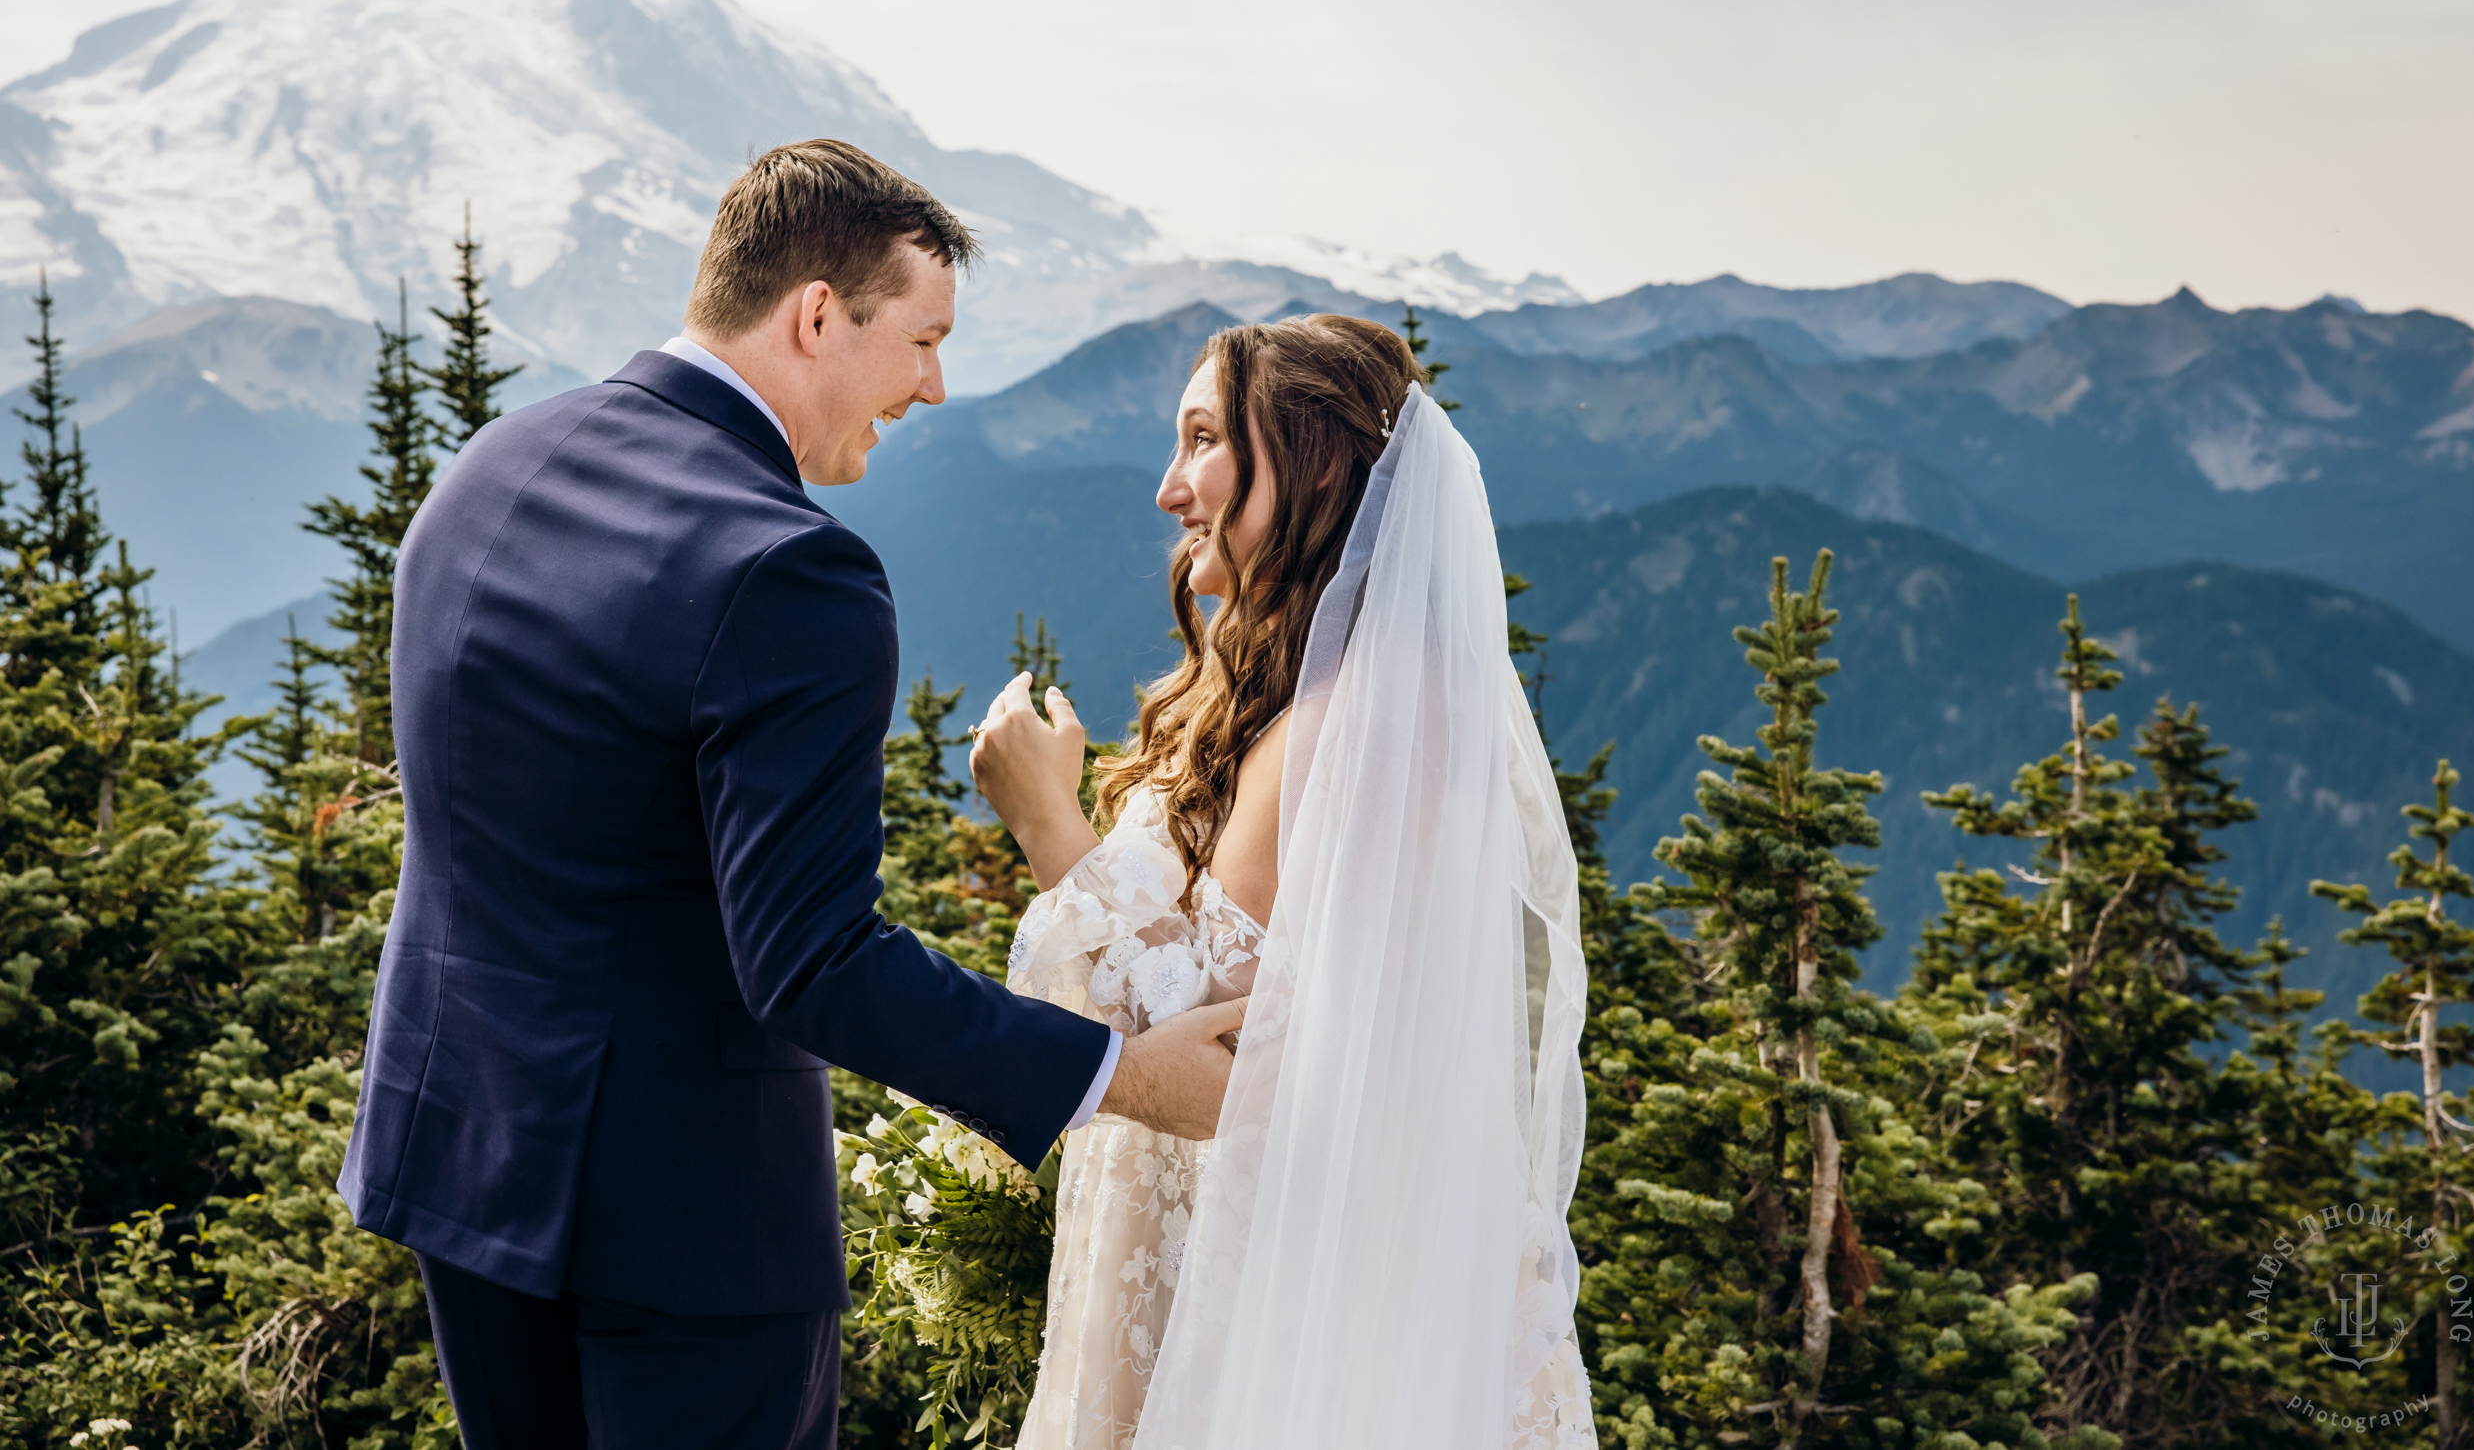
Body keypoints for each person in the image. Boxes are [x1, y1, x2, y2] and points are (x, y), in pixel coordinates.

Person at [336, 139, 1242, 1450]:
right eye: (922, 339)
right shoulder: (790, 573)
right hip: (683, 1238)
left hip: (459, 1168)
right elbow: (810, 961)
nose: (935, 386)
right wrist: (1119, 1071)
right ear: (816, 313)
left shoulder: (490, 468)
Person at [973, 315, 1595, 1449]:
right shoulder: (1281, 700)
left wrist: (1047, 820)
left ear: (1314, 463)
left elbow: (1216, 1046)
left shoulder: (1363, 720)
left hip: (1274, 1294)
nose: (1169, 489)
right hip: (1209, 1250)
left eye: (1203, 440)